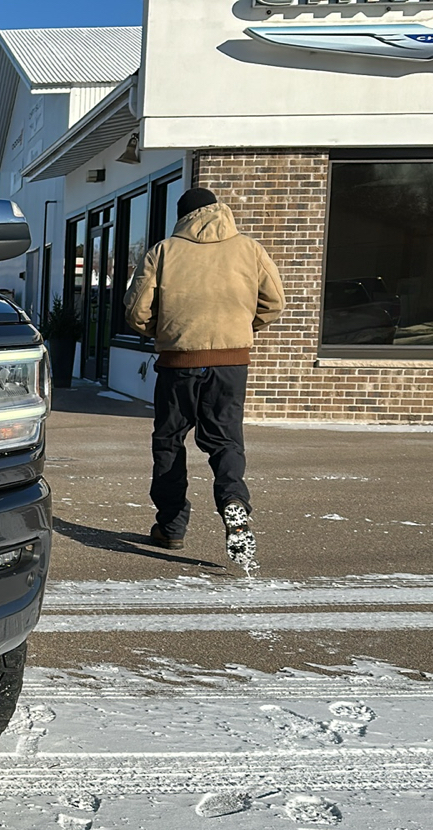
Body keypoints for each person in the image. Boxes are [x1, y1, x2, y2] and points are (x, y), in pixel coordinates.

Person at [124, 187, 285, 572]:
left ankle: (171, 525)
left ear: (181, 216)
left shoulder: (164, 251)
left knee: (169, 441)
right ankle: (234, 504)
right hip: (231, 364)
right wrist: (241, 330)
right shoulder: (250, 249)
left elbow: (135, 311)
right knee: (225, 441)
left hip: (178, 362)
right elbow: (274, 302)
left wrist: (163, 333)